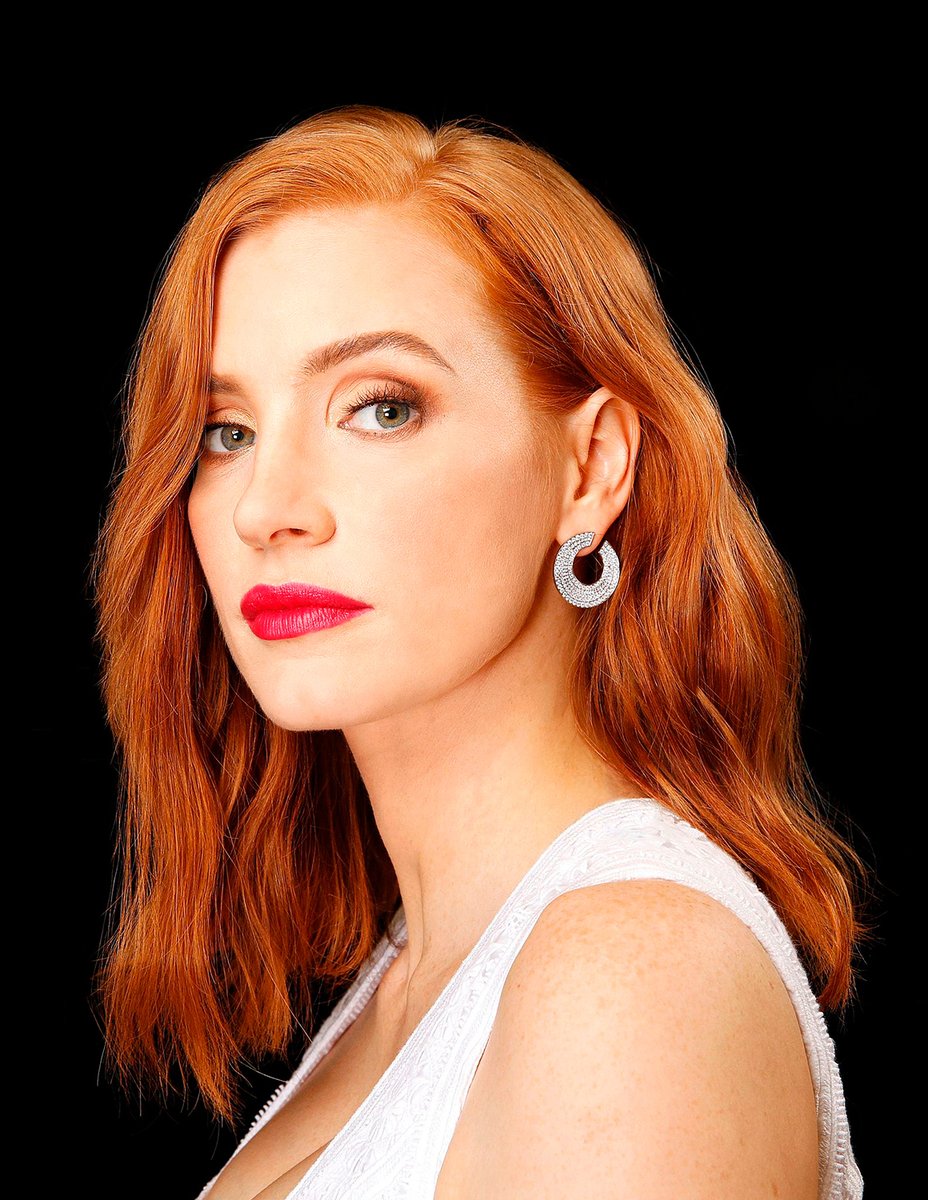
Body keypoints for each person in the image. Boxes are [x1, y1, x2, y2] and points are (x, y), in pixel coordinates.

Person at [93, 104, 868, 1199]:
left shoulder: (625, 975)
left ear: (590, 469)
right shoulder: (414, 973)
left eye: (380, 408)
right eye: (228, 431)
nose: (267, 507)